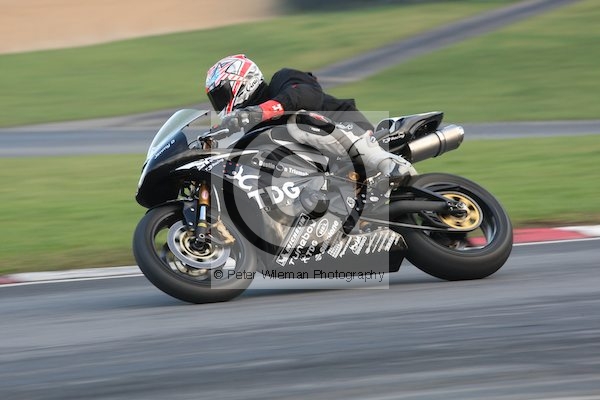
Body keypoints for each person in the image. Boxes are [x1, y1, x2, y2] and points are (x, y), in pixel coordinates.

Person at [205, 54, 414, 186]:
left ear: (244, 82)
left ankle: (386, 162)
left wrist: (260, 111)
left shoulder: (282, 80)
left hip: (352, 130)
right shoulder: (253, 130)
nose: (220, 104)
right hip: (326, 167)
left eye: (221, 95)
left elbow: (307, 94)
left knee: (297, 121)